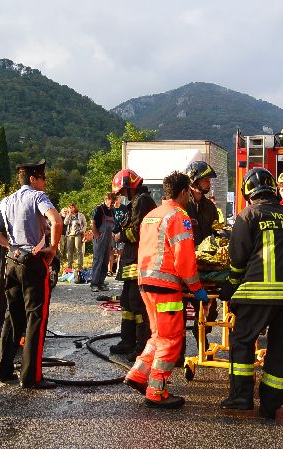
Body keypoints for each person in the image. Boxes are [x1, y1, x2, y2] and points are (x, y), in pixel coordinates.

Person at [219, 167, 283, 419]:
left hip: (259, 291)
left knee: (242, 341)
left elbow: (238, 257)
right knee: (282, 350)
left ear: (248, 192)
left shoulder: (249, 214)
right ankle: (270, 405)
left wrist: (231, 284)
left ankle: (241, 397)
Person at [123, 171, 208, 409]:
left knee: (158, 335)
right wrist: (196, 288)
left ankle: (138, 374)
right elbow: (185, 258)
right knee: (170, 338)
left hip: (146, 282)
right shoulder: (179, 216)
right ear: (184, 191)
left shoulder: (152, 215)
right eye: (189, 192)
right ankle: (157, 391)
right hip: (165, 285)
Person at [0, 160, 63, 389]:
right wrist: (53, 248)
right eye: (42, 178)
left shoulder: (7, 200)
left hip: (12, 261)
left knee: (12, 315)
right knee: (36, 318)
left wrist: (8, 246)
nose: (45, 183)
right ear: (33, 179)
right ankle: (31, 377)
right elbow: (56, 221)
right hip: (33, 261)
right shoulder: (38, 197)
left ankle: (2, 370)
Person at [108, 169, 157, 358]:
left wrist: (121, 236)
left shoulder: (143, 201)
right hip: (131, 260)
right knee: (127, 302)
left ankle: (142, 345)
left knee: (138, 305)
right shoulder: (136, 202)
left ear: (130, 187)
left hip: (139, 260)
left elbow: (138, 232)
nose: (121, 195)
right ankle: (127, 341)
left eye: (122, 191)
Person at [184, 161, 220, 354]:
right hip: (184, 266)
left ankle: (201, 336)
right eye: (205, 180)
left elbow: (216, 233)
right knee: (180, 312)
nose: (209, 183)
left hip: (206, 267)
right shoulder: (183, 205)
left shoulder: (209, 207)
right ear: (194, 180)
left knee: (210, 309)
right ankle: (178, 354)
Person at [90, 192, 118, 291]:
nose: (113, 204)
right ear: (107, 199)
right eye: (112, 201)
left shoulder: (112, 211)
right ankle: (94, 283)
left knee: (106, 261)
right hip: (100, 238)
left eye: (114, 202)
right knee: (98, 260)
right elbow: (92, 223)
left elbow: (113, 225)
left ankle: (101, 282)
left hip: (108, 239)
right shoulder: (99, 209)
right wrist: (97, 235)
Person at [63, 203, 86, 271]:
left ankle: (80, 267)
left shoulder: (80, 215)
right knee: (69, 251)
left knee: (79, 250)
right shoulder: (68, 215)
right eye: (69, 207)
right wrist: (69, 215)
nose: (70, 209)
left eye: (72, 207)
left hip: (78, 234)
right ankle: (69, 267)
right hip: (70, 235)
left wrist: (82, 230)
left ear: (75, 208)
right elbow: (65, 223)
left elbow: (85, 224)